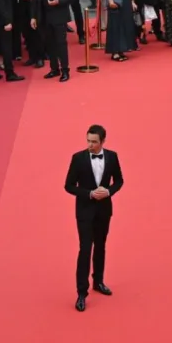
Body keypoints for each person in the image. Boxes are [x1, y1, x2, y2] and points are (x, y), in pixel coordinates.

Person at [63, 125, 124, 312]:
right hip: (85, 211)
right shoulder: (78, 159)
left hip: (104, 210)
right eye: (88, 140)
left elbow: (119, 181)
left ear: (103, 141)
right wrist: (89, 194)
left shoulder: (112, 157)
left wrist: (108, 191)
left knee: (101, 246)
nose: (90, 145)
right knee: (85, 248)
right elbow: (69, 186)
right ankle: (82, 292)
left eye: (94, 142)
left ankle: (98, 281)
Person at [35, 0, 75, 82]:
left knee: (60, 44)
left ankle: (65, 70)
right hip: (45, 16)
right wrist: (34, 17)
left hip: (59, 16)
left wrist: (59, 1)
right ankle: (54, 69)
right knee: (49, 44)